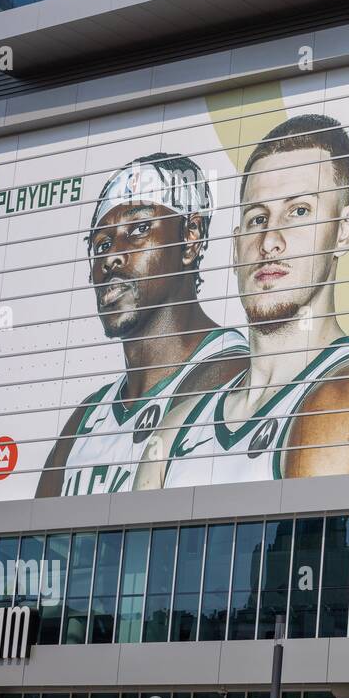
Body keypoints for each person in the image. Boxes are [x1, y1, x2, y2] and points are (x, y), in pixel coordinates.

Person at [136, 115, 349, 487]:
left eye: (298, 212)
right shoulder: (175, 430)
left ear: (345, 230)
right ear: (235, 247)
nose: (269, 241)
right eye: (257, 218)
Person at [37, 154, 246, 497]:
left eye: (137, 229)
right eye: (101, 245)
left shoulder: (233, 369)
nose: (111, 257)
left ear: (191, 237)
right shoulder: (88, 417)